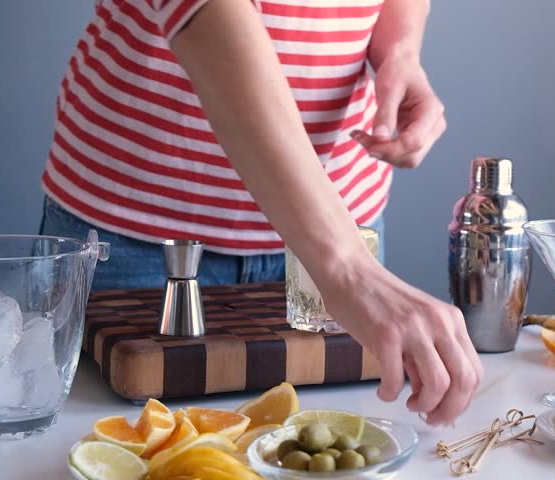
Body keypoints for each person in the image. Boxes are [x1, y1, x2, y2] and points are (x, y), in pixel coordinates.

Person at [39, 0, 482, 425]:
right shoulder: (347, 268)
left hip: (341, 226)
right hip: (141, 236)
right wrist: (350, 270)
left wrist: (399, 51)